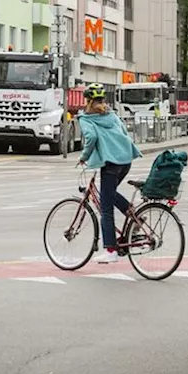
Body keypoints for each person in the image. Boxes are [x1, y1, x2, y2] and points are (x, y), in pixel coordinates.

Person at [76, 83, 142, 264]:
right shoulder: (111, 114)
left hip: (111, 163)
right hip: (125, 160)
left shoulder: (86, 118)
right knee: (109, 194)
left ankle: (111, 250)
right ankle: (135, 215)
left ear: (87, 100)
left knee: (105, 208)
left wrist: (84, 157)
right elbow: (123, 132)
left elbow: (92, 138)